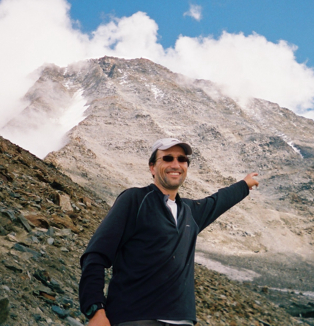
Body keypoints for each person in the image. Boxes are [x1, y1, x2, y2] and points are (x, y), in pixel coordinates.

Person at [79, 138, 259, 326]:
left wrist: (244, 184)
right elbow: (96, 255)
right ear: (152, 168)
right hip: (135, 318)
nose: (176, 164)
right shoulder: (134, 200)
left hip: (182, 320)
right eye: (167, 158)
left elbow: (219, 200)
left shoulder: (191, 211)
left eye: (182, 159)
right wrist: (95, 310)